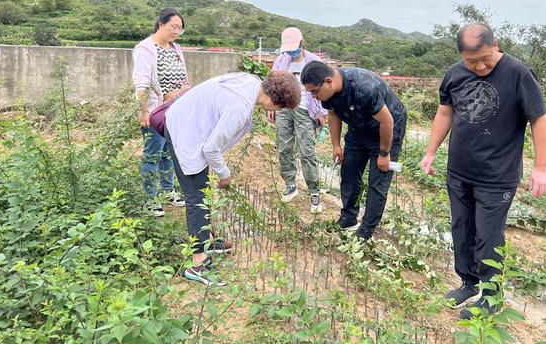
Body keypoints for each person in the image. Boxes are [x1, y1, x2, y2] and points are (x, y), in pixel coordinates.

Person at [419, 23, 546, 319]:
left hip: (497, 175)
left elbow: (539, 119)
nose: (479, 67)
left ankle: (491, 296)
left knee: (488, 236)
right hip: (460, 170)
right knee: (462, 228)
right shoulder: (454, 73)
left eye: (484, 59)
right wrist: (430, 152)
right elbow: (445, 112)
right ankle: (468, 283)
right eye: (471, 61)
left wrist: (541, 167)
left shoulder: (518, 74)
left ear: (495, 45)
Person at [164, 71, 301, 284]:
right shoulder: (241, 107)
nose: (279, 112)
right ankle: (197, 263)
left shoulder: (252, 82)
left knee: (201, 192)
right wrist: (225, 175)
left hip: (189, 120)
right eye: (281, 108)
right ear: (275, 101)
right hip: (184, 130)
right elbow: (211, 148)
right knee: (196, 199)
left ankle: (208, 241)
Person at [301, 61, 407, 240]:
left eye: (314, 92)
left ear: (328, 82)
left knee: (378, 180)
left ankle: (366, 230)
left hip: (386, 128)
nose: (314, 97)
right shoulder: (329, 94)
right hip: (358, 128)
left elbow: (387, 121)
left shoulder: (364, 88)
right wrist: (336, 145)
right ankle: (349, 217)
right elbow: (333, 115)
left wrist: (384, 154)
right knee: (349, 171)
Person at [132, 8, 188, 217]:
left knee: (169, 152)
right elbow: (142, 83)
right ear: (161, 24)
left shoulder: (175, 48)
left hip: (174, 109)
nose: (176, 31)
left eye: (180, 29)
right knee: (152, 154)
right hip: (155, 110)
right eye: (174, 26)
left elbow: (183, 80)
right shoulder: (146, 49)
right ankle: (150, 198)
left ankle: (167, 191)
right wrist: (143, 111)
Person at [267, 27, 328, 214]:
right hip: (284, 109)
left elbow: (324, 88)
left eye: (293, 48)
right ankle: (290, 184)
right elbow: (271, 84)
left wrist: (321, 112)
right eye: (287, 49)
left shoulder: (314, 62)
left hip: (305, 111)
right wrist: (272, 106)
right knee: (284, 147)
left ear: (302, 43)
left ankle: (314, 190)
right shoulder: (281, 61)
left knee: (306, 151)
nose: (290, 52)